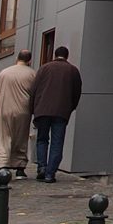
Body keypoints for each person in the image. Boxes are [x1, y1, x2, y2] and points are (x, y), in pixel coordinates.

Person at [31, 45, 82, 182]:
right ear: (67, 56)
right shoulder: (73, 71)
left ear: (55, 55)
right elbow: (77, 93)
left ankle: (42, 167)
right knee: (57, 142)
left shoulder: (44, 68)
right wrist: (70, 108)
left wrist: (33, 110)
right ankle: (50, 173)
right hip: (61, 112)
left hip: (42, 110)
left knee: (42, 139)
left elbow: (34, 90)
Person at [0, 49, 35, 177]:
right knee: (21, 138)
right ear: (29, 61)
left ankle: (3, 166)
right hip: (23, 111)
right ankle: (20, 166)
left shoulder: (4, 73)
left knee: (3, 137)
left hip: (4, 110)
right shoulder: (32, 74)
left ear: (17, 58)